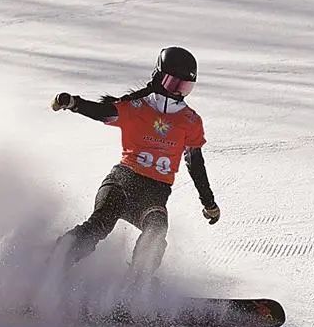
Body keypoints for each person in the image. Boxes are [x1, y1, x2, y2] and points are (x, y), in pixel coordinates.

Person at [49, 47, 220, 291]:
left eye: (184, 87)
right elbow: (103, 112)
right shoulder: (136, 108)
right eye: (173, 84)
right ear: (158, 78)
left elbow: (196, 163)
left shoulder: (190, 121)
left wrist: (208, 202)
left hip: (153, 194)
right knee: (99, 224)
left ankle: (135, 288)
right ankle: (50, 267)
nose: (177, 93)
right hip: (122, 182)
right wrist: (74, 103)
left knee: (156, 231)